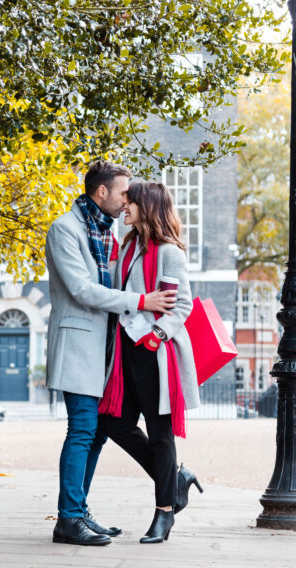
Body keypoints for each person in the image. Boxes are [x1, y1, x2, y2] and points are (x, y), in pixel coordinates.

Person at [45, 161, 177, 546]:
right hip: (80, 346)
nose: (126, 202)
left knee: (99, 433)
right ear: (101, 192)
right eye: (122, 193)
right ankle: (68, 519)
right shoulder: (65, 229)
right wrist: (142, 300)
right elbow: (82, 290)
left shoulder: (107, 233)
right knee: (83, 430)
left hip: (107, 353)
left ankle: (78, 510)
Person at [98, 181, 202, 544]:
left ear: (148, 205)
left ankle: (164, 514)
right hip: (125, 354)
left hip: (156, 353)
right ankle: (175, 481)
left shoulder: (170, 252)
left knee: (160, 435)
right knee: (115, 423)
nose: (123, 208)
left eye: (129, 203)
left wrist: (156, 334)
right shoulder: (128, 249)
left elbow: (182, 305)